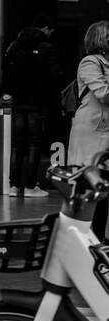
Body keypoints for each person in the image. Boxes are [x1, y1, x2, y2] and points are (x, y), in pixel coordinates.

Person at [0, 14, 62, 198]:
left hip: (17, 103)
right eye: (50, 31)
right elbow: (55, 76)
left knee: (18, 144)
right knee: (34, 144)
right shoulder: (46, 48)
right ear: (44, 29)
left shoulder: (14, 46)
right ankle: (29, 186)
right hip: (37, 104)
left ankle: (13, 186)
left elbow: (5, 73)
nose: (50, 34)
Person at [69, 20, 109, 242]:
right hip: (90, 136)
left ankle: (99, 244)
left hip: (105, 136)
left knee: (103, 193)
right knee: (92, 192)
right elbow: (103, 93)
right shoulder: (90, 62)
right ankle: (89, 245)